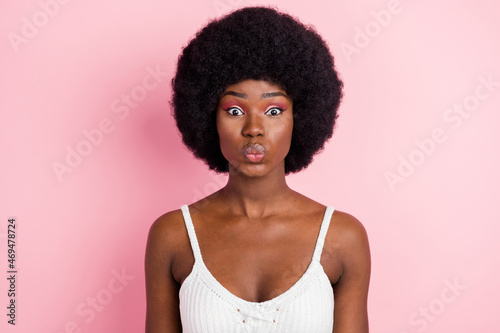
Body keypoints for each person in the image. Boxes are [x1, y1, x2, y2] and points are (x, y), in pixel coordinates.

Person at [145, 6, 370, 333]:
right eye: (235, 110)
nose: (254, 128)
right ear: (209, 118)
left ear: (301, 119)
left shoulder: (342, 238)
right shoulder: (172, 236)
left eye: (274, 110)